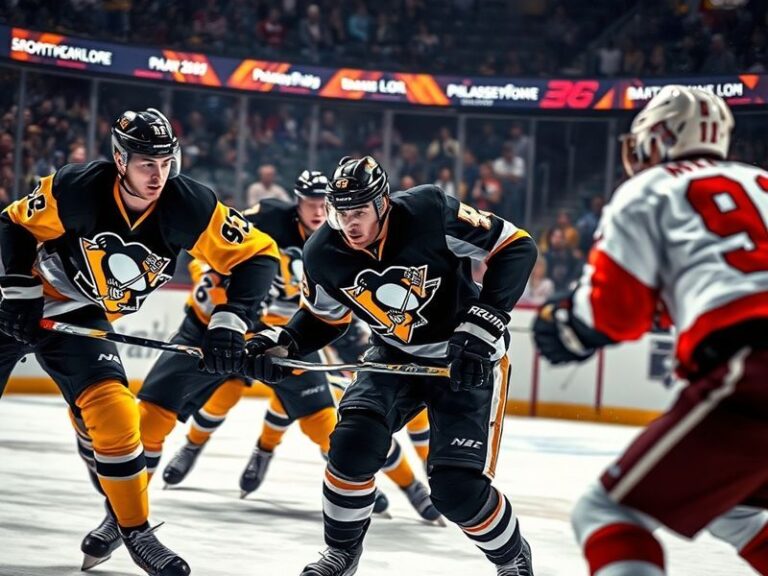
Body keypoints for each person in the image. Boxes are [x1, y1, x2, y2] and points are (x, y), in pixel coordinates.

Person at [0, 108, 280, 576]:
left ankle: (136, 532)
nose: (159, 174)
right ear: (119, 158)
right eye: (147, 163)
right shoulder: (78, 187)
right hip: (17, 299)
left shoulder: (189, 204)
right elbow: (13, 223)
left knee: (116, 414)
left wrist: (231, 320)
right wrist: (18, 293)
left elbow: (257, 255)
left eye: (166, 161)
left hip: (79, 309)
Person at [244, 155, 538, 575]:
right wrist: (284, 342)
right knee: (350, 445)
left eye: (360, 211)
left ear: (383, 203)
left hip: (465, 360)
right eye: (341, 212)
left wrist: (487, 316)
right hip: (393, 357)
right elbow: (324, 318)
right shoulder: (323, 250)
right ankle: (342, 554)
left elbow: (515, 245)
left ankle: (512, 559)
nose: (350, 224)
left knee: (457, 492)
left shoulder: (429, 212)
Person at [532, 85, 768, 576]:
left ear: (655, 138)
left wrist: (569, 326)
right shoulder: (762, 180)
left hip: (754, 363)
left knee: (606, 512)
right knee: (735, 509)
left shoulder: (650, 187)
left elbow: (614, 314)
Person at [156, 170, 440, 523]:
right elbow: (213, 245)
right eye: (310, 203)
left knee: (327, 416)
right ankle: (198, 446)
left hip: (304, 330)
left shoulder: (347, 236)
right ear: (296, 201)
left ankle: (407, 485)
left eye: (325, 204)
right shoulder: (269, 218)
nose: (318, 211)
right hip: (254, 325)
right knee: (226, 390)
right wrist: (209, 279)